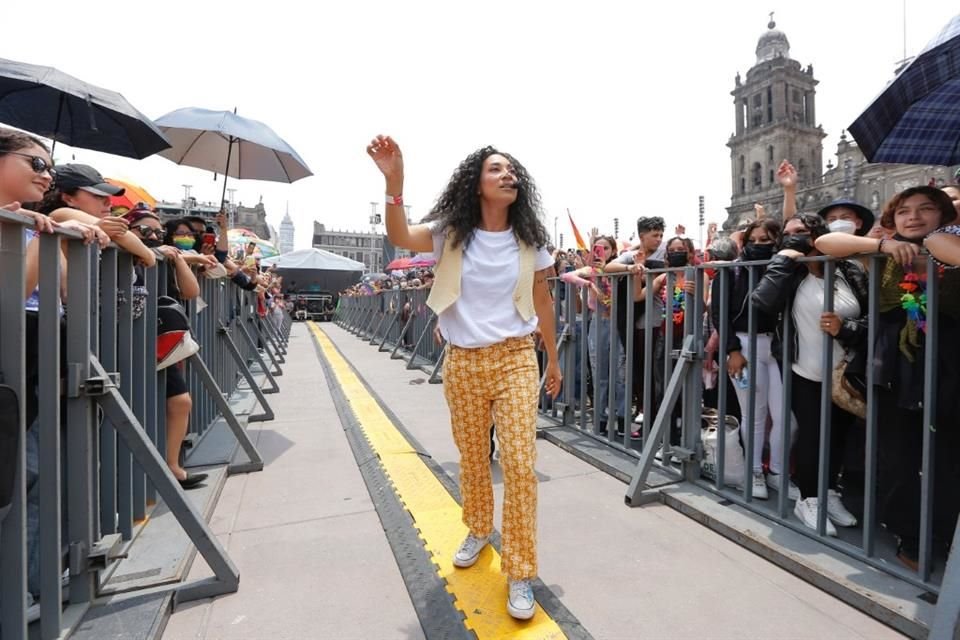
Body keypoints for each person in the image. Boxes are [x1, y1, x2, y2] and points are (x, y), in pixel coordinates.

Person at [367, 134, 560, 620]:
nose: (508, 175)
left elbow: (542, 300)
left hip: (517, 357)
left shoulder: (530, 239)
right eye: (497, 170)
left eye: (513, 170)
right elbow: (399, 236)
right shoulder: (451, 232)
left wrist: (553, 358)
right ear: (477, 184)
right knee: (474, 459)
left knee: (518, 465)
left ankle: (519, 571)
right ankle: (478, 527)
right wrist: (395, 182)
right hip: (465, 362)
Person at [816, 186, 960, 570]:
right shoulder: (883, 252)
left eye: (925, 209)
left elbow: (950, 249)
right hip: (893, 365)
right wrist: (881, 247)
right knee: (897, 454)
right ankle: (911, 536)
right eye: (903, 211)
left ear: (943, 214)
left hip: (946, 362)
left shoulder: (946, 241)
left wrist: (931, 243)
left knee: (946, 455)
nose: (913, 217)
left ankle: (945, 533)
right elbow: (825, 240)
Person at [751, 214, 866, 534]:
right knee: (814, 436)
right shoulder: (789, 274)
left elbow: (869, 317)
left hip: (845, 373)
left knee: (839, 435)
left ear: (818, 234)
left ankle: (828, 493)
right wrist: (784, 260)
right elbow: (762, 302)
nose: (794, 238)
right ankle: (808, 498)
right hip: (805, 370)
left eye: (800, 233)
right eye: (787, 235)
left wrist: (847, 329)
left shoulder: (849, 270)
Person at [711, 218, 797, 500]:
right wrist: (732, 351)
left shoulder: (784, 269)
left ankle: (777, 471)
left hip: (778, 346)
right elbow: (719, 315)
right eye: (754, 240)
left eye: (767, 240)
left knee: (787, 418)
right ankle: (754, 472)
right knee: (755, 416)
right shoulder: (731, 272)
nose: (760, 245)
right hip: (745, 346)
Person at [560, 235, 628, 435]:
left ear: (613, 251)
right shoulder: (591, 271)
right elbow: (567, 276)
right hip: (598, 323)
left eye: (606, 248)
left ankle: (623, 417)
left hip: (618, 324)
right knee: (600, 374)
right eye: (598, 248)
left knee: (620, 373)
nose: (602, 252)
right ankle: (601, 418)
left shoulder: (618, 268)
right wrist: (589, 284)